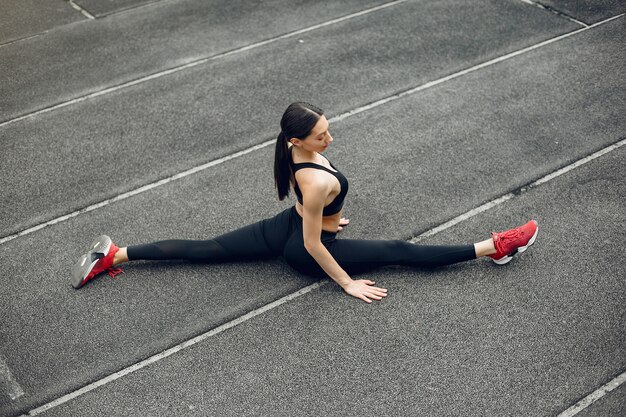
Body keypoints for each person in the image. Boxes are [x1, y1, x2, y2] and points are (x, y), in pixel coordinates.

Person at [72, 102, 538, 303]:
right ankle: (495, 247)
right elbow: (315, 246)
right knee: (400, 250)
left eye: (328, 129)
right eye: (321, 134)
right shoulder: (313, 181)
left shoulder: (296, 150)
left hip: (287, 224)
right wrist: (347, 282)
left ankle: (113, 254)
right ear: (299, 138)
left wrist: (329, 213)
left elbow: (310, 200)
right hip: (303, 246)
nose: (329, 137)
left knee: (208, 248)